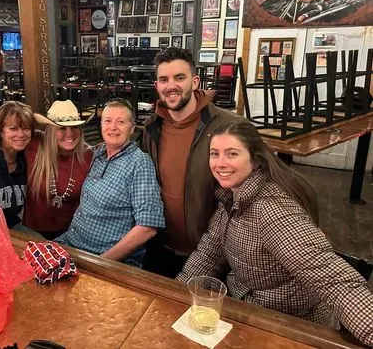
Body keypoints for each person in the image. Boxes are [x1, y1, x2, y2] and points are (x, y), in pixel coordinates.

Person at [176, 121, 373, 347]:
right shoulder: (230, 197)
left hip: (291, 326)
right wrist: (174, 296)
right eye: (214, 154)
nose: (220, 163)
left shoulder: (271, 211)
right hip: (248, 312)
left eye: (232, 154)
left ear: (256, 160)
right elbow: (207, 255)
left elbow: (333, 279)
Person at [141, 47, 244, 278]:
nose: (171, 86)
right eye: (164, 80)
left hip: (214, 256)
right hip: (161, 248)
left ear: (195, 82)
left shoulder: (230, 126)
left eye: (180, 78)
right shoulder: (151, 128)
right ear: (157, 85)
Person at [0, 100, 94, 239]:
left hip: (72, 233)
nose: (70, 134)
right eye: (62, 128)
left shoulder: (89, 155)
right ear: (50, 130)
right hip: (32, 232)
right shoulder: (35, 144)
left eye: (75, 127)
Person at [56, 98, 165, 267]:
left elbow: (147, 228)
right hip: (71, 243)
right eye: (107, 121)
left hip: (105, 257)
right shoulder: (97, 153)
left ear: (132, 128)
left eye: (121, 122)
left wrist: (99, 263)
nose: (113, 127)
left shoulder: (139, 162)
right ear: (101, 126)